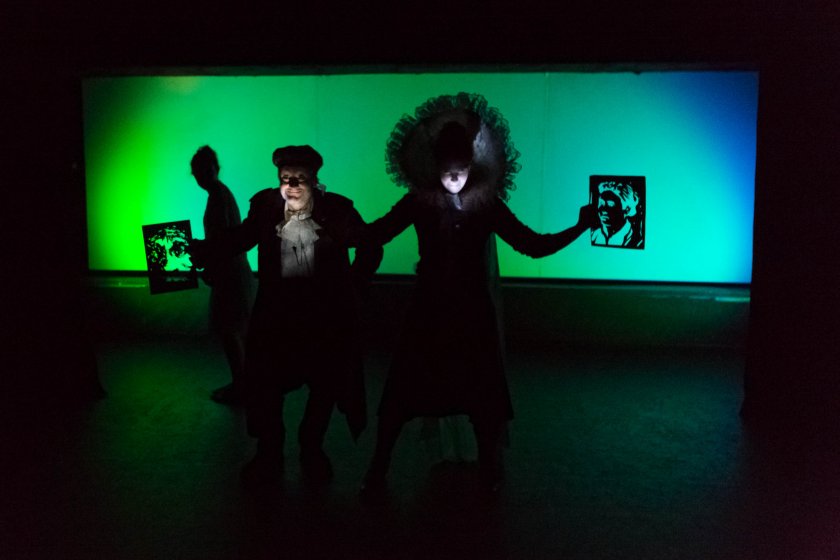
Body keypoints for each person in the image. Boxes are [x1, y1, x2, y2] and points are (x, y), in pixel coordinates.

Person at [361, 93, 596, 495]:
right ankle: (377, 471)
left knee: (481, 398)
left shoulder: (487, 205)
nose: (454, 179)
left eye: (461, 170)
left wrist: (579, 227)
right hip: (429, 314)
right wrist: (332, 225)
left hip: (470, 315)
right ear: (433, 165)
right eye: (447, 171)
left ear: (473, 165)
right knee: (403, 394)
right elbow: (377, 233)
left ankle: (488, 471)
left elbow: (532, 245)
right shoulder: (419, 202)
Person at [190, 145, 382, 483]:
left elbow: (370, 244)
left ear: (314, 179)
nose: (291, 185)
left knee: (324, 385)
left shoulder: (336, 211)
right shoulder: (266, 208)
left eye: (300, 178)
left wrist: (354, 285)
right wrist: (203, 249)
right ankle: (270, 451)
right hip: (277, 317)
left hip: (322, 318)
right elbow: (241, 238)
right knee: (267, 384)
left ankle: (311, 446)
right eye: (285, 178)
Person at [190, 146, 255, 405]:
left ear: (215, 169)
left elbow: (221, 241)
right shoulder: (220, 193)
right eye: (199, 171)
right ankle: (242, 384)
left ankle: (241, 386)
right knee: (234, 332)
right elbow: (225, 239)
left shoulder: (217, 196)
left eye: (205, 170)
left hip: (230, 275)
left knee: (230, 333)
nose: (202, 176)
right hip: (233, 272)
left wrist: (203, 253)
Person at [590, 180, 643, 248]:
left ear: (627, 209)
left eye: (610, 204)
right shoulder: (594, 235)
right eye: (601, 203)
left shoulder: (637, 241)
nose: (603, 209)